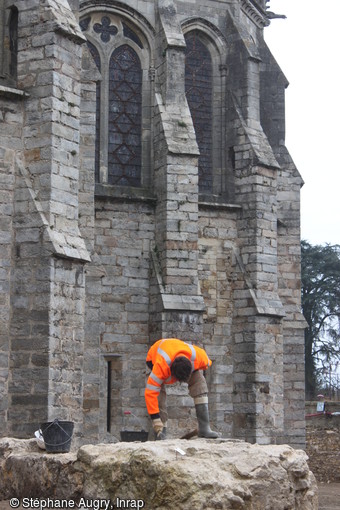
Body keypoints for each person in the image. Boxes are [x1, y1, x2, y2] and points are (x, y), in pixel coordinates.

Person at [145, 338, 218, 440]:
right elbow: (150, 393)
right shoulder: (161, 366)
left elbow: (207, 364)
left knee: (200, 382)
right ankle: (161, 432)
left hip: (179, 355)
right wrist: (155, 419)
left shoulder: (199, 357)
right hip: (153, 357)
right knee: (158, 395)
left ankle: (204, 428)